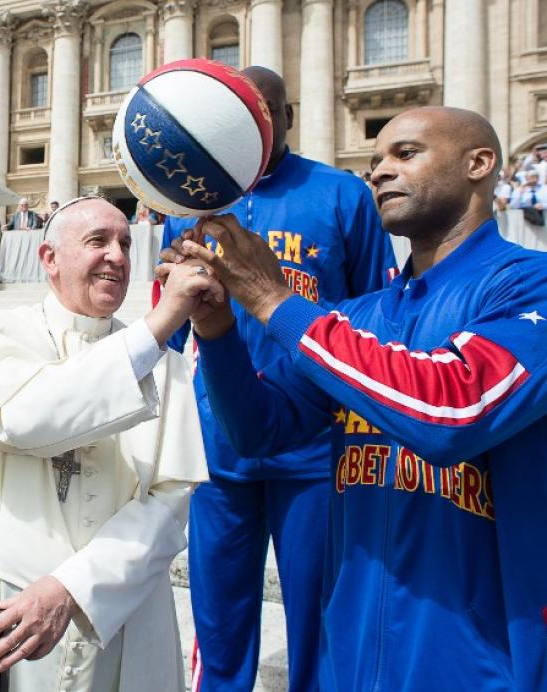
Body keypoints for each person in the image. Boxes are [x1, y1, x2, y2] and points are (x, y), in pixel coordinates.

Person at [162, 106, 547, 690]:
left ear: (480, 164)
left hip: (475, 663)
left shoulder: (529, 283)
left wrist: (275, 300)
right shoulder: (362, 315)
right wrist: (219, 334)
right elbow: (261, 431)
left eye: (405, 154)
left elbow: (453, 410)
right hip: (350, 654)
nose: (381, 172)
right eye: (374, 162)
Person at [159, 66, 396, 692]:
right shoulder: (186, 203)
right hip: (218, 445)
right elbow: (170, 326)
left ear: (287, 117)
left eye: (266, 110)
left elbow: (377, 318)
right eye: (237, 112)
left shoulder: (344, 195)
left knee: (318, 615)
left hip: (316, 448)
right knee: (218, 614)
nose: (253, 123)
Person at [0, 196, 211, 692]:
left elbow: (169, 507)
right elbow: (27, 419)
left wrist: (74, 587)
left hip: (124, 609)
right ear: (49, 258)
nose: (118, 256)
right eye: (97, 241)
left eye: (125, 243)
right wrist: (159, 324)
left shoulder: (165, 366)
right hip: (4, 598)